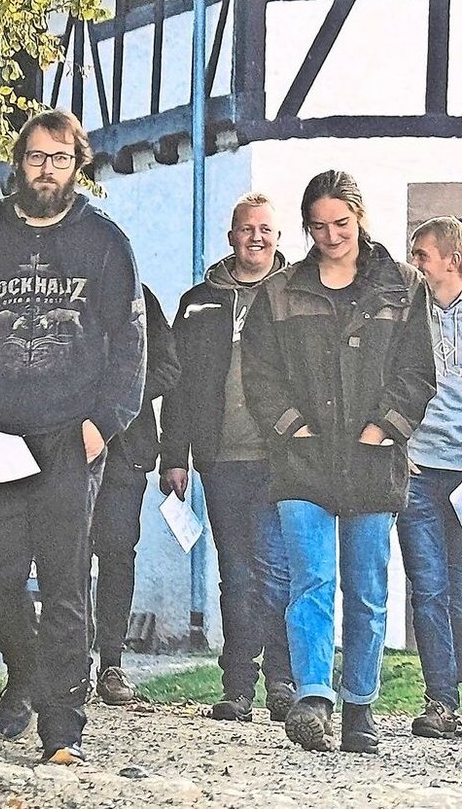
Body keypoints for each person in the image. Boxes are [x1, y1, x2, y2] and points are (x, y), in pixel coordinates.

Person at [0, 108, 146, 764]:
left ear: (78, 164)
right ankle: (24, 671)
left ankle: (63, 727)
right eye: (36, 157)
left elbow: (130, 342)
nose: (47, 169)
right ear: (19, 163)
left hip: (70, 435)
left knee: (64, 581)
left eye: (60, 158)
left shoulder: (105, 243)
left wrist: (103, 424)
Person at [243, 170, 434, 753]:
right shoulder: (280, 291)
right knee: (313, 580)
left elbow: (418, 371)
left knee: (368, 589)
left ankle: (360, 708)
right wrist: (292, 428)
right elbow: (259, 374)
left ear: (360, 217)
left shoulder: (403, 286)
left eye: (341, 224)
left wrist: (385, 428)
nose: (331, 236)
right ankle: (313, 698)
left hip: (374, 460)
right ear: (306, 227)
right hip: (303, 461)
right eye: (319, 226)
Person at [158, 193, 295, 723]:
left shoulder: (296, 294)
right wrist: (175, 455)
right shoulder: (199, 302)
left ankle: (283, 682)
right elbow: (178, 385)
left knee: (277, 572)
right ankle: (237, 687)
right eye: (247, 229)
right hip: (221, 460)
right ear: (231, 236)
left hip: (282, 459)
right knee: (235, 576)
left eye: (266, 229)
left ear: (278, 237)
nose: (256, 237)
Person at [90, 284, 179, 705]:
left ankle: (111, 663)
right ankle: (70, 665)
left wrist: (121, 396)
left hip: (125, 450)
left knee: (117, 553)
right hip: (62, 445)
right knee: (65, 553)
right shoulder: (60, 292)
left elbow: (169, 368)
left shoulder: (139, 296)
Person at [398, 215, 462, 739]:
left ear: (452, 260)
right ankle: (441, 700)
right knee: (428, 588)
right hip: (417, 471)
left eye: (422, 255)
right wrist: (397, 444)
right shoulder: (404, 313)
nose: (414, 263)